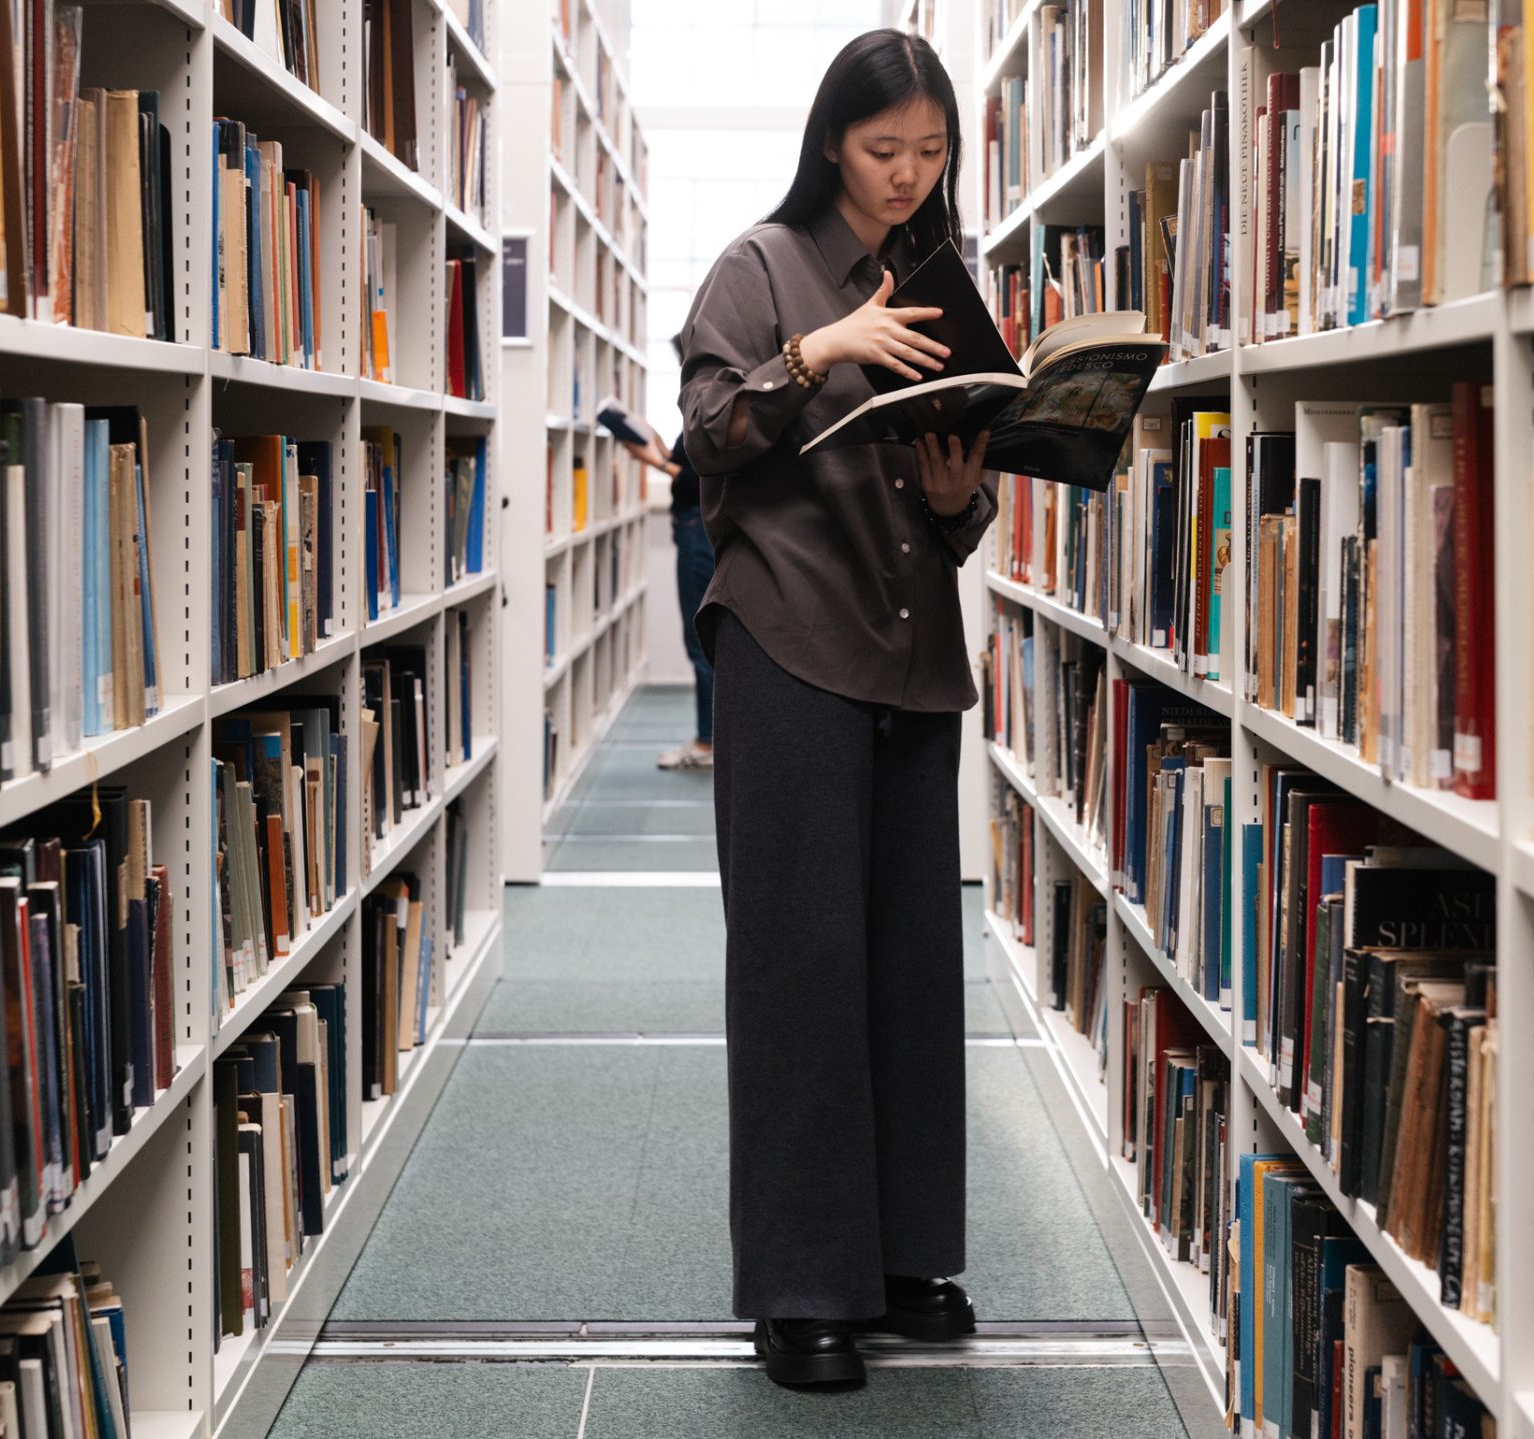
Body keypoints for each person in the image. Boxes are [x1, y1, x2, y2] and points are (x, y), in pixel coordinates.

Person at [675, 27, 995, 1392]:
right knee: (803, 968)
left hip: (914, 652)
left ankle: (911, 1254)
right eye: (884, 152)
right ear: (829, 144)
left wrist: (955, 494)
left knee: (915, 965)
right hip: (790, 643)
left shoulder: (945, 279)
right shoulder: (760, 265)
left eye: (930, 152)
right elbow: (701, 434)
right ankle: (806, 1286)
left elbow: (963, 511)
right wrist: (817, 351)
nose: (908, 177)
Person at [615, 406, 715, 770]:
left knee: (700, 640)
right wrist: (657, 444)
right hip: (696, 528)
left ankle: (708, 742)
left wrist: (654, 463)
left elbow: (700, 480)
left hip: (697, 530)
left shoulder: (710, 404)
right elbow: (691, 463)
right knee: (702, 639)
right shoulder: (703, 406)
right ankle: (709, 736)